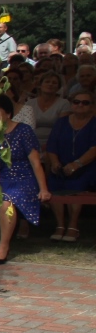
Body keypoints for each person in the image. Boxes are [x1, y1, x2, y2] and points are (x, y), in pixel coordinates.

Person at [0, 93, 52, 263]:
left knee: (5, 202)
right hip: (2, 176)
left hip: (24, 176)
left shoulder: (23, 130)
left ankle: (3, 245)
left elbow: (35, 162)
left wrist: (43, 189)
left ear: (8, 113)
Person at [46, 88, 96, 241]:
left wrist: (77, 164)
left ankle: (73, 225)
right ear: (71, 104)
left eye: (85, 102)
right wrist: (55, 162)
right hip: (62, 165)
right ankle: (60, 225)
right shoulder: (61, 122)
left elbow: (94, 149)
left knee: (77, 185)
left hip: (86, 167)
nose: (80, 105)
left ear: (92, 106)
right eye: (76, 102)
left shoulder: (94, 123)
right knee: (54, 183)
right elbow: (51, 146)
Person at [26, 73, 71, 149]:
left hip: (55, 142)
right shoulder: (30, 103)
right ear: (40, 85)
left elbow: (61, 128)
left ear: (58, 87)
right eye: (47, 82)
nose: (50, 84)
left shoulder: (64, 103)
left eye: (54, 83)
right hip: (31, 142)